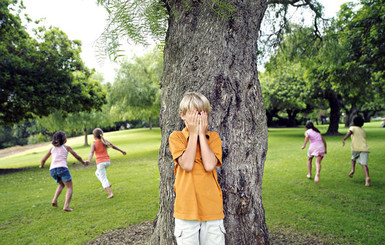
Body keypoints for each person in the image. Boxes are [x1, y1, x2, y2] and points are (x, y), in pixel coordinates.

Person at [169, 92, 226, 245]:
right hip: (186, 210)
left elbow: (209, 165)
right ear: (182, 115)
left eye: (202, 114)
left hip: (212, 209)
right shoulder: (177, 137)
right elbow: (186, 165)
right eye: (194, 114)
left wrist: (201, 134)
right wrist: (193, 134)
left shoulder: (213, 137)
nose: (198, 118)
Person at [40, 131, 87, 211]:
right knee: (69, 187)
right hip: (62, 168)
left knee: (61, 184)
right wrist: (83, 162)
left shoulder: (52, 149)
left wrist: (42, 166)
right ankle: (66, 206)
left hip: (52, 170)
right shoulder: (66, 147)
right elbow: (77, 156)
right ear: (64, 140)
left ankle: (54, 200)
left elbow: (43, 160)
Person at [85, 128, 126, 199]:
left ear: (94, 136)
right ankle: (108, 183)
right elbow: (113, 146)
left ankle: (110, 193)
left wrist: (88, 160)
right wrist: (121, 151)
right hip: (107, 162)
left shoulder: (93, 144)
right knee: (97, 173)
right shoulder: (104, 141)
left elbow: (91, 153)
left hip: (100, 163)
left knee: (103, 178)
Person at [342, 116, 371, 186]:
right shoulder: (363, 131)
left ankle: (352, 170)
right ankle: (367, 177)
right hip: (365, 149)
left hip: (355, 148)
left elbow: (349, 133)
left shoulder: (352, 128)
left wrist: (344, 139)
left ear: (354, 122)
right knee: (364, 164)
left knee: (353, 159)